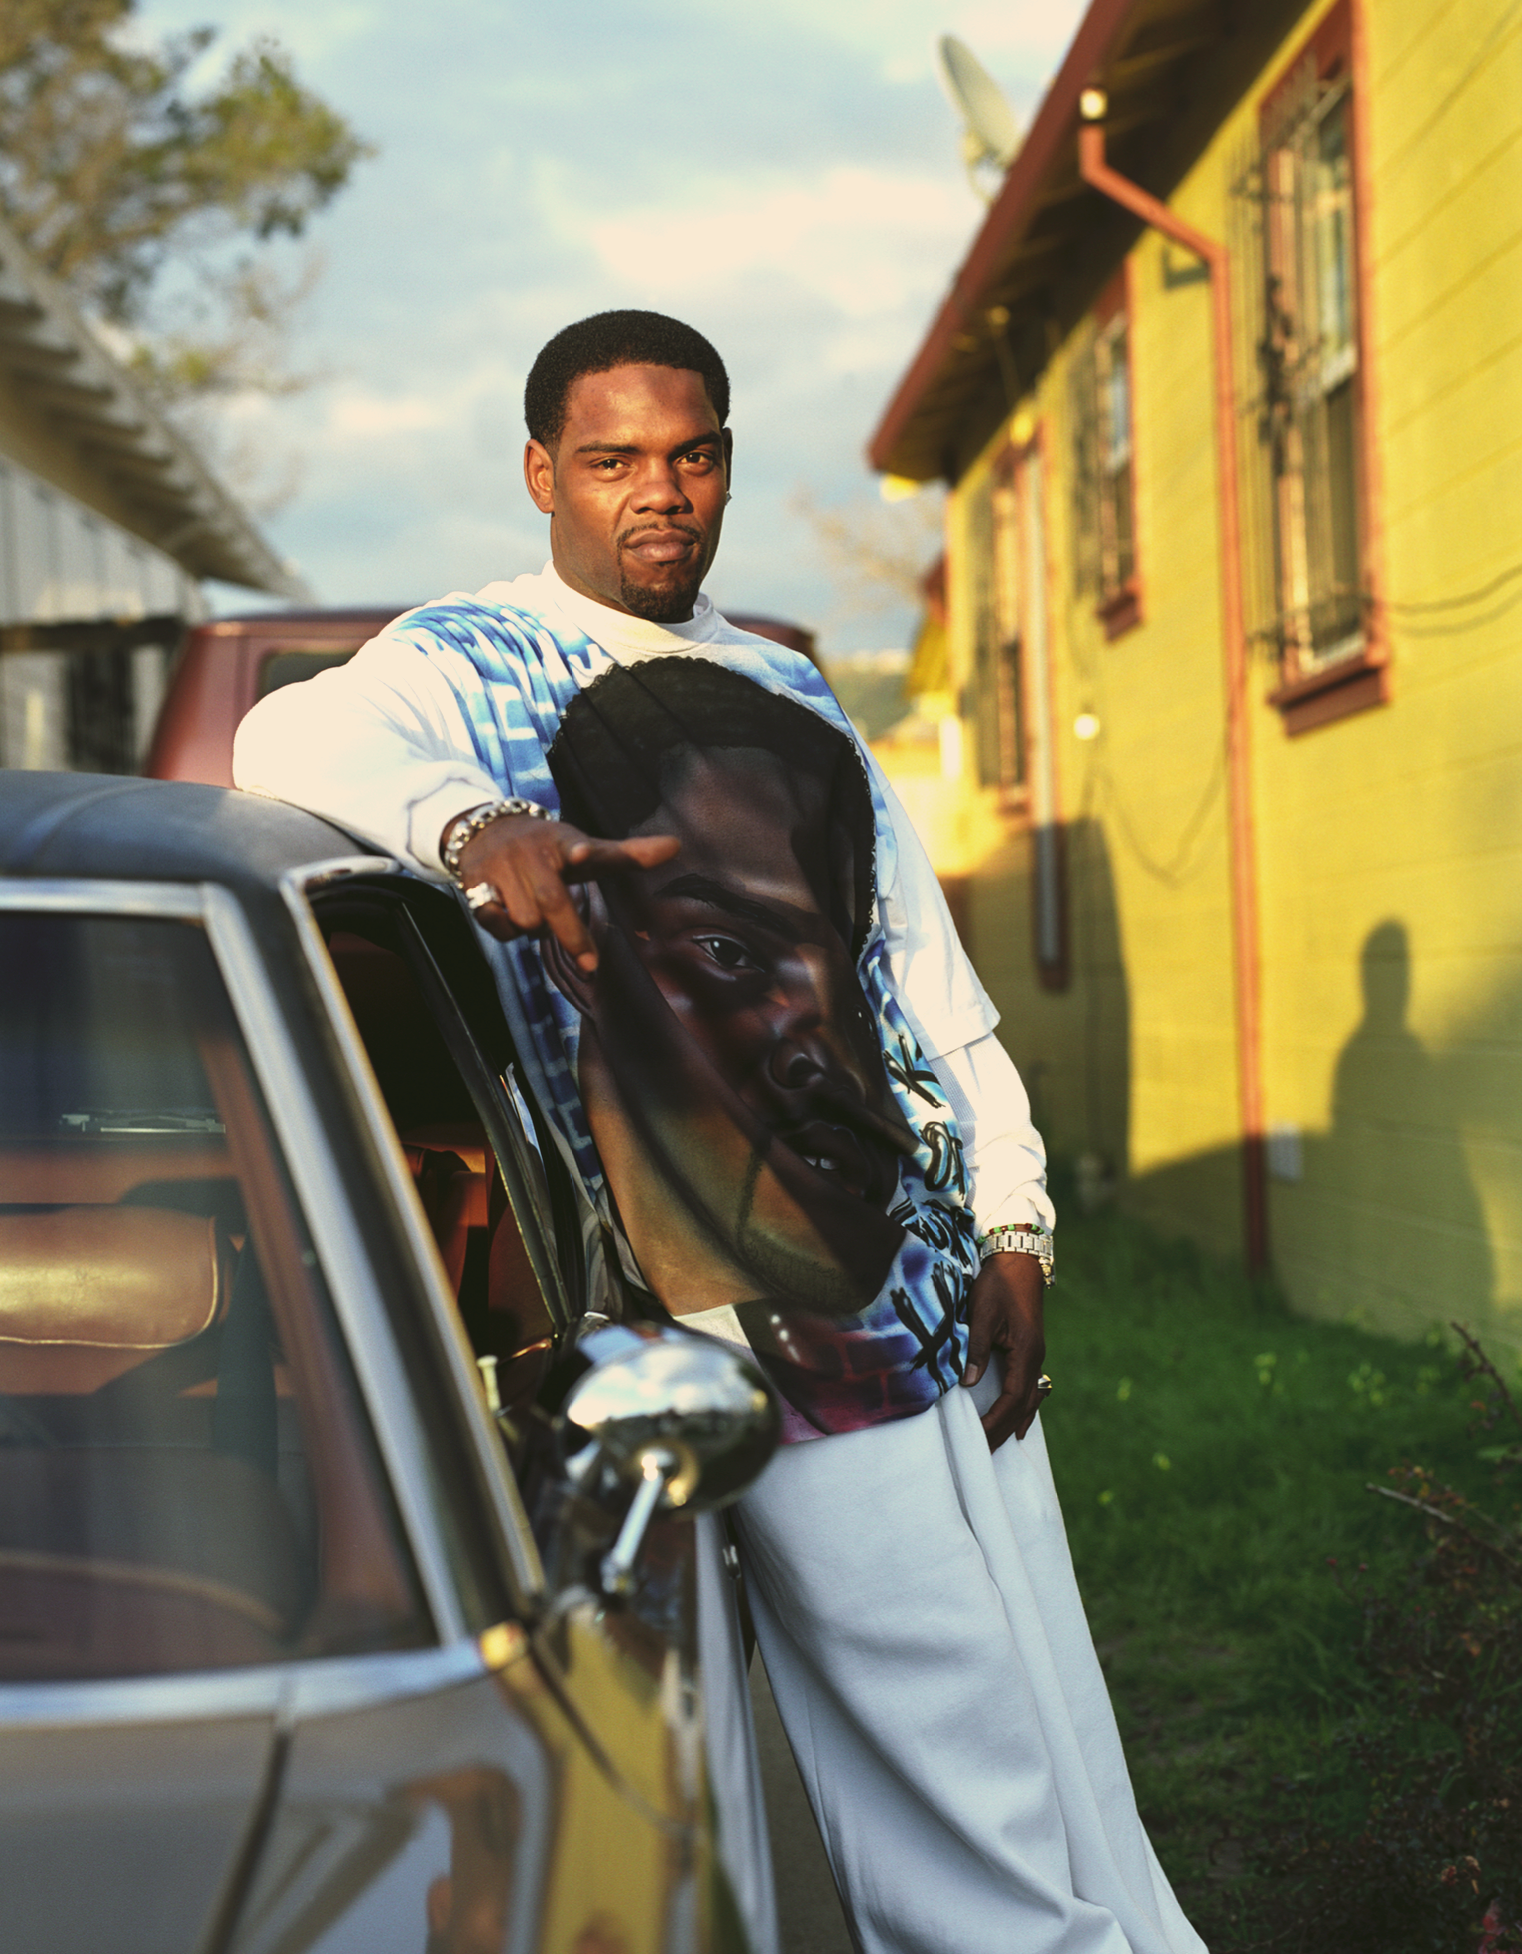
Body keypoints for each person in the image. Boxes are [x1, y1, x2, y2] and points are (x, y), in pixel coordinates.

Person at [234, 308, 1206, 1954]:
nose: (657, 494)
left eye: (689, 457)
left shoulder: (790, 688)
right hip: (613, 1317)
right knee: (646, 1793)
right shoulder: (462, 659)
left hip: (845, 1287)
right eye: (612, 461)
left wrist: (1018, 1220)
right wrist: (473, 824)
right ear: (543, 472)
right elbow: (286, 737)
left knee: (959, 1737)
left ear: (728, 466)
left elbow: (920, 977)